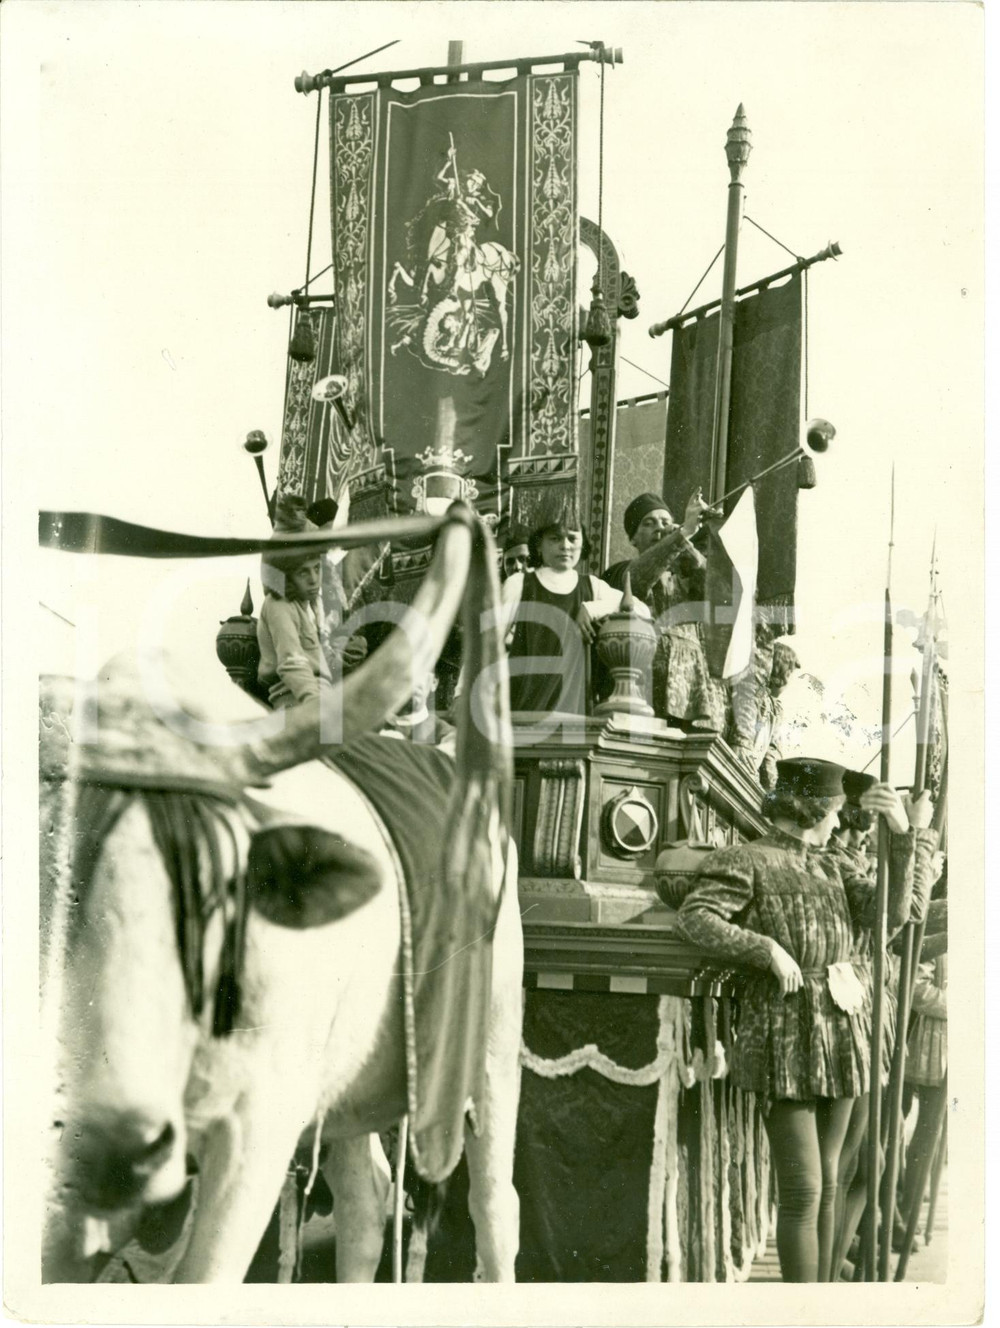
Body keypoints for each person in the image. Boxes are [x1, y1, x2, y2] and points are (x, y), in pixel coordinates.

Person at [675, 758, 923, 1283]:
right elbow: (695, 917)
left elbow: (891, 915)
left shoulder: (835, 865)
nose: (838, 823)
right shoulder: (745, 859)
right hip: (784, 1032)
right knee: (805, 1188)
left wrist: (902, 835)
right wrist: (764, 948)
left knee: (832, 1178)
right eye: (834, 812)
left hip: (841, 1028)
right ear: (812, 808)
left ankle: (824, 1298)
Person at [500, 501, 648, 716]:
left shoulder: (592, 586)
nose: (565, 545)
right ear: (539, 544)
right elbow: (487, 643)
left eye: (572, 538)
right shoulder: (520, 583)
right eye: (555, 538)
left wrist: (592, 608)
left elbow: (642, 610)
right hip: (522, 707)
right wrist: (461, 694)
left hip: (574, 713)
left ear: (582, 543)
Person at [602, 489, 726, 731]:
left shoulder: (683, 578)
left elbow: (718, 593)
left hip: (690, 686)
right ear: (633, 538)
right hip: (644, 683)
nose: (659, 528)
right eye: (649, 523)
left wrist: (686, 543)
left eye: (665, 523)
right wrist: (681, 533)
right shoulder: (622, 570)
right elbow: (639, 578)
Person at [257, 494, 365, 709]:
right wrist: (316, 706)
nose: (314, 579)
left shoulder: (310, 606)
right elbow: (291, 664)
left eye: (317, 568)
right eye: (303, 573)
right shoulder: (279, 605)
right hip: (295, 702)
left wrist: (342, 656)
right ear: (285, 574)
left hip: (321, 696)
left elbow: (317, 660)